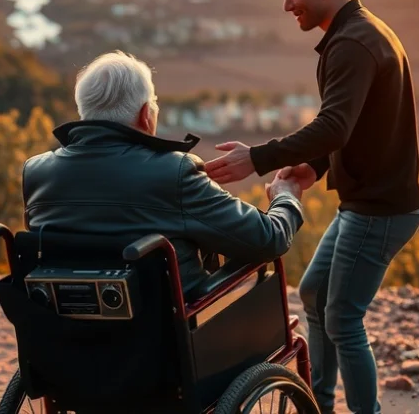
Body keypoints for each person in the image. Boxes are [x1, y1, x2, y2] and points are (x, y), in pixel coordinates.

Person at [204, 0, 419, 413]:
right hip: (368, 202)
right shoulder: (360, 31)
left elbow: (333, 126)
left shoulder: (352, 44)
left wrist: (257, 158)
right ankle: (319, 403)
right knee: (314, 293)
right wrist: (318, 166)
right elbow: (357, 123)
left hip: (379, 209)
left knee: (343, 317)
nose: (287, 4)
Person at [21, 51, 306, 297]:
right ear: (146, 114)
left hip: (66, 335)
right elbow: (268, 239)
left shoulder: (36, 173)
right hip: (168, 338)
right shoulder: (174, 172)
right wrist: (286, 197)